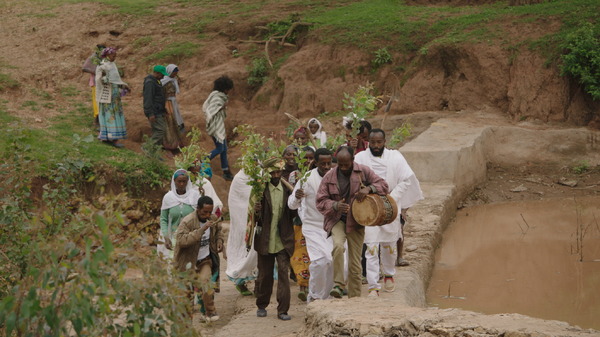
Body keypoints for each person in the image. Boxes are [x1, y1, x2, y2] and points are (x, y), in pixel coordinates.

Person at [355, 129, 423, 296]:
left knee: (389, 244)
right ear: (368, 142)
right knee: (371, 245)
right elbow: (354, 179)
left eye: (379, 142)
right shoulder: (361, 158)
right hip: (369, 207)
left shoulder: (395, 157)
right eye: (373, 142)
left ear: (385, 141)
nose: (376, 146)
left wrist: (392, 198)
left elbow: (407, 179)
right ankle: (373, 285)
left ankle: (389, 274)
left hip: (391, 206)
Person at [316, 146, 389, 298]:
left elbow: (384, 185)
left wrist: (369, 189)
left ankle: (354, 299)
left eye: (346, 164)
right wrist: (335, 205)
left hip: (356, 221)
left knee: (355, 263)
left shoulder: (363, 171)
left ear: (352, 161)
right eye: (340, 164)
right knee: (337, 246)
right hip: (337, 219)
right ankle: (338, 284)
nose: (343, 168)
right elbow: (320, 201)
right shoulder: (329, 177)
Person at [288, 148, 334, 302]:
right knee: (319, 262)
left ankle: (325, 297)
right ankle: (314, 296)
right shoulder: (306, 178)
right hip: (312, 227)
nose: (327, 167)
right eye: (323, 164)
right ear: (316, 163)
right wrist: (296, 196)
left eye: (329, 163)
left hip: (331, 226)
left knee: (333, 262)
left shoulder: (336, 176)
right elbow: (292, 205)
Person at [254, 158, 295, 321]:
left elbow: (294, 213)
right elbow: (253, 219)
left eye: (279, 172)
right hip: (265, 239)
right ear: (267, 174)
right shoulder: (259, 190)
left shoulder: (288, 191)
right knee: (265, 275)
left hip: (283, 239)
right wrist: (256, 210)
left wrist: (297, 199)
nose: (276, 175)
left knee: (284, 274)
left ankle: (283, 310)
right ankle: (262, 305)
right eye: (273, 173)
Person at [174, 196, 224, 322]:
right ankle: (185, 323)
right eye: (204, 212)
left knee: (206, 284)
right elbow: (181, 240)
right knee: (186, 294)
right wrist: (201, 230)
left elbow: (219, 231)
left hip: (204, 260)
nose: (207, 215)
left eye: (209, 212)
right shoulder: (188, 221)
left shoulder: (212, 219)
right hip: (187, 263)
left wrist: (219, 241)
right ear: (197, 209)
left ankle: (210, 312)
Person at [225, 170, 258, 296]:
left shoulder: (260, 174)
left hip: (257, 218)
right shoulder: (239, 179)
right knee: (244, 249)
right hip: (242, 221)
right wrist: (241, 221)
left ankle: (258, 284)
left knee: (257, 250)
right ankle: (240, 281)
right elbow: (234, 201)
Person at [159, 169, 200, 261]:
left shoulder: (194, 196)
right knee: (173, 264)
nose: (181, 184)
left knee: (189, 264)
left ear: (188, 182)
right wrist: (166, 237)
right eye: (179, 181)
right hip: (174, 237)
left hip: (191, 237)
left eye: (184, 181)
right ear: (174, 182)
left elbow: (200, 216)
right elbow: (163, 219)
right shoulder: (168, 197)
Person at [95, 47, 129, 148]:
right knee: (109, 115)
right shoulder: (102, 66)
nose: (115, 57)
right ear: (107, 55)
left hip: (114, 96)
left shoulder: (112, 65)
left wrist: (123, 85)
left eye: (115, 55)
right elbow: (99, 81)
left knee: (115, 114)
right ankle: (110, 138)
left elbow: (116, 80)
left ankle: (112, 138)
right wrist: (104, 77)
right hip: (106, 96)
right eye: (113, 55)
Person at [203, 76, 234, 181]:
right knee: (220, 148)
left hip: (219, 125)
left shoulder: (217, 95)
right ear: (225, 89)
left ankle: (226, 171)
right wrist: (223, 106)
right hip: (216, 126)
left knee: (224, 149)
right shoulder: (217, 97)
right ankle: (204, 161)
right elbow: (211, 110)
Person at [143, 65, 169, 147]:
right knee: (160, 130)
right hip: (154, 111)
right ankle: (148, 148)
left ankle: (154, 152)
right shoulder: (150, 82)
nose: (163, 76)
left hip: (159, 110)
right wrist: (150, 113)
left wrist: (164, 110)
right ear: (157, 73)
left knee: (157, 130)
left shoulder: (157, 81)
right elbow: (148, 98)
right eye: (162, 74)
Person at [82, 44, 105, 127]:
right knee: (96, 101)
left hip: (103, 82)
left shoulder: (104, 58)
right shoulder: (93, 57)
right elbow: (84, 68)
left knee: (102, 100)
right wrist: (96, 71)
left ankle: (100, 119)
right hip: (95, 82)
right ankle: (96, 120)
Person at [161, 64, 185, 132]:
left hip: (173, 100)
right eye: (174, 73)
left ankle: (179, 127)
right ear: (169, 72)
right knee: (171, 115)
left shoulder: (173, 80)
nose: (175, 75)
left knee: (176, 114)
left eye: (176, 73)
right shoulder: (163, 80)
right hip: (167, 101)